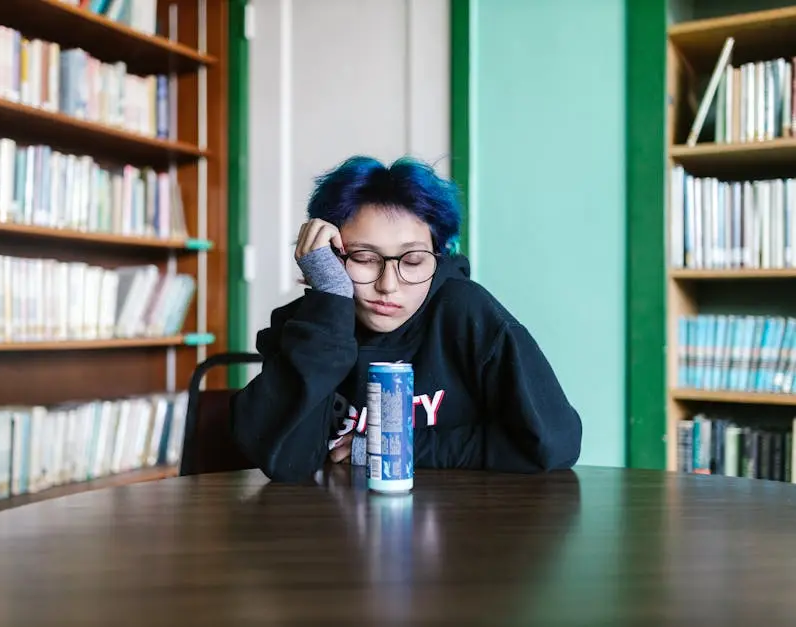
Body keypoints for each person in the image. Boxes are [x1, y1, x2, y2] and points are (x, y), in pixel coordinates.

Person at [230, 155, 582, 483]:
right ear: (330, 258)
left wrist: (382, 449)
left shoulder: (464, 311)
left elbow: (553, 440)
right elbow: (284, 461)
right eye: (364, 258)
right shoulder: (311, 325)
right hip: (331, 535)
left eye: (412, 261)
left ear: (439, 258)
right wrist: (330, 303)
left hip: (462, 530)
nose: (388, 285)